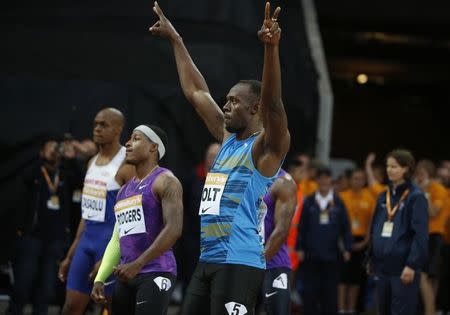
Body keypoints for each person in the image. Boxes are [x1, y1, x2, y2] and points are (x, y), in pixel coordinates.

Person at [150, 2, 290, 314]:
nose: (225, 106)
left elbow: (274, 104)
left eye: (233, 101)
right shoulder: (227, 139)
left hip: (239, 262)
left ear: (254, 109)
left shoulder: (264, 148)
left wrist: (271, 49)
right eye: (225, 100)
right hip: (208, 259)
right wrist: (177, 40)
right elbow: (196, 92)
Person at [91, 124, 183, 315]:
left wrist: (139, 263)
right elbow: (117, 239)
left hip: (156, 271)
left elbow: (174, 230)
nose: (128, 143)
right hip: (127, 274)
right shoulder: (124, 191)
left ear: (153, 147)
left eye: (136, 138)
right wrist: (100, 278)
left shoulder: (166, 181)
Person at [58, 108, 135, 315]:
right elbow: (87, 215)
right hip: (86, 242)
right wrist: (71, 254)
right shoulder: (91, 162)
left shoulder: (127, 164)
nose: (97, 129)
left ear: (118, 129)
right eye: (95, 124)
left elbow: (133, 216)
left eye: (104, 124)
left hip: (109, 243)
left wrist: (116, 256)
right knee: (71, 307)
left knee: (109, 307)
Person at [8, 136, 79, 315]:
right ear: (41, 152)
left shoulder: (64, 174)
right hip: (31, 237)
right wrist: (43, 157)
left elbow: (81, 182)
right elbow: (25, 177)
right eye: (51, 148)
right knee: (23, 285)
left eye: (57, 148)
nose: (55, 151)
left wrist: (72, 159)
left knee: (46, 289)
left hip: (55, 240)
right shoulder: (35, 174)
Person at [367, 149, 428, 315]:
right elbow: (375, 228)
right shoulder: (383, 196)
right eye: (388, 166)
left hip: (403, 268)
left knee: (401, 311)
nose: (389, 170)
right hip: (382, 266)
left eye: (394, 166)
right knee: (384, 310)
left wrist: (411, 265)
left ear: (406, 169)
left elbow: (420, 235)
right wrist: (371, 257)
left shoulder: (416, 197)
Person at [297, 166, 352, 315]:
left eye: (326, 177)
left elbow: (346, 227)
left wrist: (347, 248)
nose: (323, 181)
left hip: (332, 255)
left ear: (331, 181)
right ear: (317, 181)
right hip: (311, 255)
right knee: (310, 291)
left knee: (330, 292)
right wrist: (299, 248)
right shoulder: (309, 201)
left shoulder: (338, 202)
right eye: (320, 178)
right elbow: (301, 226)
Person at [179, 142, 221, 295]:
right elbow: (182, 203)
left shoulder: (227, 179)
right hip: (193, 237)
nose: (213, 159)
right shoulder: (193, 177)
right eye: (210, 156)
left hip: (217, 238)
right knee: (191, 274)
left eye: (216, 156)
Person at [339, 169, 376, 315]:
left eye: (361, 179)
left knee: (355, 278)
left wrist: (366, 241)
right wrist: (343, 243)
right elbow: (338, 222)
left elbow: (372, 223)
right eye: (355, 178)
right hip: (344, 240)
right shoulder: (342, 196)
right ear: (350, 180)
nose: (358, 181)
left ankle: (351, 309)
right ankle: (341, 308)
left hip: (362, 240)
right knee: (343, 277)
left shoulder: (370, 198)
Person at [414, 160, 449, 315]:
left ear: (429, 174)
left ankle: (430, 311)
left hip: (434, 236)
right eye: (417, 174)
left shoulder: (438, 189)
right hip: (421, 235)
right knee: (426, 277)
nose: (419, 177)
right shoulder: (418, 190)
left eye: (422, 173)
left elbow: (433, 212)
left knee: (426, 276)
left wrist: (424, 193)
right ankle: (429, 310)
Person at [261, 170, 297, 315]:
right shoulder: (243, 175)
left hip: (273, 262)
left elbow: (281, 231)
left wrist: (259, 263)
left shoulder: (284, 182)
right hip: (243, 260)